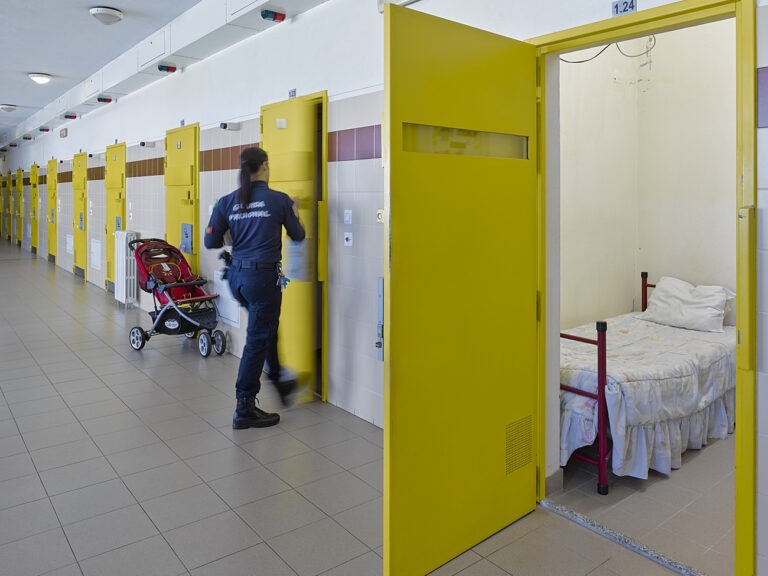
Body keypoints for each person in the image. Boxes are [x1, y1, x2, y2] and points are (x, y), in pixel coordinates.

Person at [204, 146, 305, 429]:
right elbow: (298, 235)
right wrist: (295, 212)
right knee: (258, 338)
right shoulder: (279, 200)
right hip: (262, 280)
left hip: (237, 279)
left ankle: (279, 380)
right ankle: (244, 406)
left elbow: (211, 241)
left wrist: (234, 232)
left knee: (264, 329)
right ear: (264, 166)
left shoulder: (227, 202)